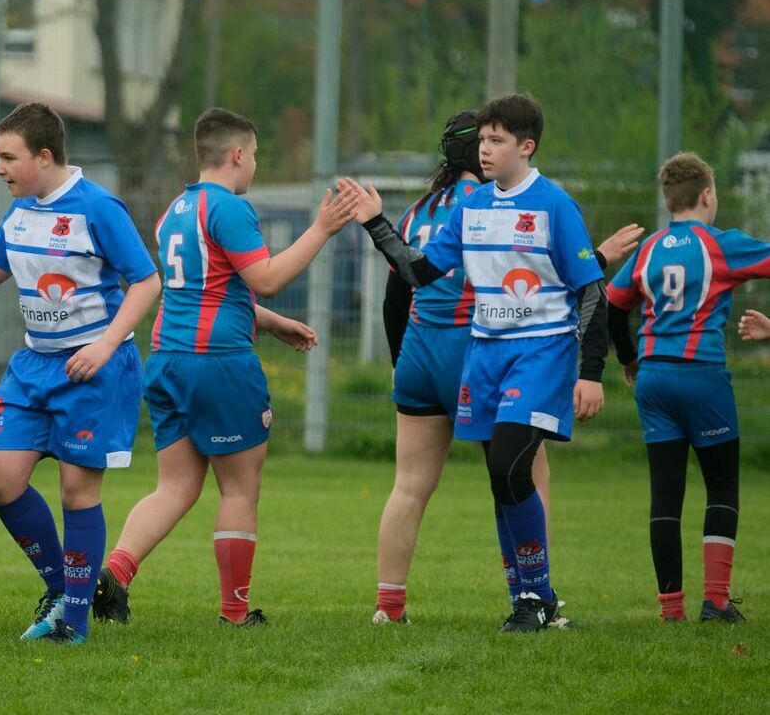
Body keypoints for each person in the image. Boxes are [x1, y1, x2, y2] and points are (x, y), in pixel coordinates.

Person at [341, 93, 610, 633]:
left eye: (497, 140)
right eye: (482, 140)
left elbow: (591, 291)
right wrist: (375, 225)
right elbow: (418, 274)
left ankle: (535, 597)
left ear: (526, 146)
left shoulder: (554, 204)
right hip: (484, 352)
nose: (485, 150)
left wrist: (589, 370)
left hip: (540, 352)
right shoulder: (472, 206)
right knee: (500, 476)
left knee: (510, 464)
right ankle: (534, 600)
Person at [92, 107, 355, 629]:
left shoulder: (176, 209)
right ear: (238, 154)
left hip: (167, 359)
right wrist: (322, 228)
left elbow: (208, 292)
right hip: (220, 366)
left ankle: (115, 573)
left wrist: (273, 323)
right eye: (254, 154)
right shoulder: (230, 208)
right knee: (239, 490)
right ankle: (235, 613)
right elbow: (267, 277)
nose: (254, 164)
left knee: (175, 487)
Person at [0, 102, 160, 644]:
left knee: (76, 493)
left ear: (44, 157)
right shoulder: (20, 209)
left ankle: (71, 622)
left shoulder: (98, 207)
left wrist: (104, 344)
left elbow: (146, 282)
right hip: (33, 367)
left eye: (8, 157)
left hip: (94, 368)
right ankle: (65, 588)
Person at [607, 152, 770, 623]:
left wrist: (629, 359)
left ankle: (670, 609)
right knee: (721, 485)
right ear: (706, 195)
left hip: (654, 377)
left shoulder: (649, 248)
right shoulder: (720, 245)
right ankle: (716, 603)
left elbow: (615, 306)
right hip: (700, 374)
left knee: (666, 493)